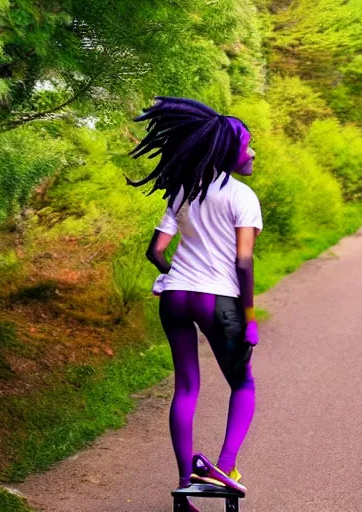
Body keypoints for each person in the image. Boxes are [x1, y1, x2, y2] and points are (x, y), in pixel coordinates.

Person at [127, 97, 262, 504]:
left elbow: (155, 250)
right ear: (227, 152)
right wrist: (250, 316)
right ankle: (225, 466)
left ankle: (185, 487)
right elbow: (243, 262)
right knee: (243, 383)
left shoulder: (183, 191)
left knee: (186, 388)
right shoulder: (242, 197)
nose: (252, 151)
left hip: (175, 297)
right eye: (247, 145)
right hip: (217, 300)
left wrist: (168, 275)